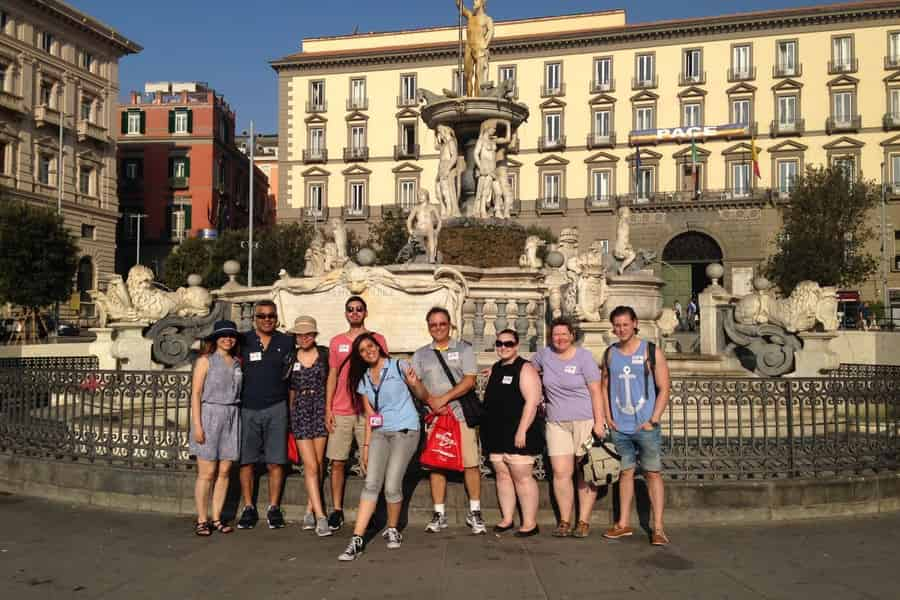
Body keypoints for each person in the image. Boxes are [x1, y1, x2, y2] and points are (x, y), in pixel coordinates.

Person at [337, 333, 423, 561]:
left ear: (378, 346)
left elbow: (422, 394)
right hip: (380, 433)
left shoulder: (399, 365)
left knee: (392, 484)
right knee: (371, 483)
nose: (368, 351)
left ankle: (393, 528)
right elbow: (370, 416)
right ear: (360, 357)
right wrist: (365, 447)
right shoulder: (364, 378)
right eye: (363, 350)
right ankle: (357, 539)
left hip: (405, 430)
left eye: (371, 346)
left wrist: (415, 385)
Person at [409, 306, 485, 534]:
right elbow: (416, 384)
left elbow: (470, 380)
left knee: (471, 463)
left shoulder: (463, 349)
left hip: (460, 414)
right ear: (428, 327)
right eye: (433, 324)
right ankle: (439, 513)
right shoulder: (421, 354)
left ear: (449, 324)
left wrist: (444, 398)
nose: (438, 328)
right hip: (436, 415)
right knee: (436, 463)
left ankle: (475, 511)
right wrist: (432, 402)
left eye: (442, 324)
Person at [601, 305, 671, 546]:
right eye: (617, 325)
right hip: (620, 426)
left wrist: (653, 419)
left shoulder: (652, 351)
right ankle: (623, 524)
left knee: (652, 473)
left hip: (646, 426)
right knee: (626, 473)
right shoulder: (610, 353)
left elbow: (664, 388)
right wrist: (608, 417)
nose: (621, 329)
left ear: (634, 323)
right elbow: (604, 385)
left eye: (625, 324)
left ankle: (658, 528)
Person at [531, 317, 605, 538]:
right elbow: (526, 369)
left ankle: (583, 521)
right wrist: (496, 369)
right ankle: (564, 520)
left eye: (564, 334)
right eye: (555, 334)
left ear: (572, 335)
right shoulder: (544, 355)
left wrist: (599, 422)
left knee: (585, 472)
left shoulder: (584, 357)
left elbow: (596, 391)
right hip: (557, 423)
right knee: (561, 472)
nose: (560, 338)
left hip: (585, 422)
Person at [325, 296, 389, 531]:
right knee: (338, 461)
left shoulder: (377, 339)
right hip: (341, 409)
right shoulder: (336, 342)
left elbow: (384, 370)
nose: (354, 313)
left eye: (358, 309)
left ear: (365, 312)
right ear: (345, 313)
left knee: (370, 462)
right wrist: (327, 408)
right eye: (350, 310)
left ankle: (370, 511)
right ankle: (337, 510)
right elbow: (332, 375)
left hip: (368, 410)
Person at [236, 300, 294, 530]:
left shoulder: (286, 341)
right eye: (262, 316)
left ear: (276, 317)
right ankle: (248, 507)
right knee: (247, 461)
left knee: (276, 461)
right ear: (255, 319)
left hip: (277, 406)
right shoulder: (243, 341)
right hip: (248, 406)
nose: (267, 319)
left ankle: (273, 507)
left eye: (271, 316)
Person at [481, 329, 544, 536]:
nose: (503, 348)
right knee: (502, 475)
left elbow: (532, 402)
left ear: (516, 345)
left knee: (522, 476)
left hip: (518, 430)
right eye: (499, 344)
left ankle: (530, 523)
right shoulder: (496, 368)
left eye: (508, 344)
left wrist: (522, 431)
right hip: (496, 431)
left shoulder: (525, 368)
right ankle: (507, 518)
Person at [189, 320, 242, 536]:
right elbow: (196, 393)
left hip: (232, 414)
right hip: (210, 414)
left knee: (225, 470)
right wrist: (197, 425)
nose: (228, 339)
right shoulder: (205, 361)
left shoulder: (237, 363)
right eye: (223, 336)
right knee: (207, 472)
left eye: (231, 336)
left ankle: (217, 517)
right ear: (216, 339)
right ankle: (202, 519)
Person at [286, 316, 332, 537]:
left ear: (314, 335)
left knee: (318, 462)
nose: (304, 338)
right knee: (310, 466)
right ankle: (321, 516)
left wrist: (330, 410)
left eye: (308, 334)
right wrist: (290, 414)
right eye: (300, 334)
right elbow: (290, 390)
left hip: (321, 408)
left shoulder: (324, 355)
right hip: (302, 410)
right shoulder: (290, 357)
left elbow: (332, 382)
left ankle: (309, 508)